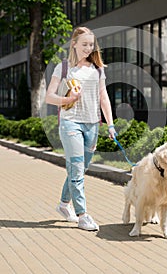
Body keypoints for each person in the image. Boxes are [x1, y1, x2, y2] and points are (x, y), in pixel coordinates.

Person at [46, 26, 116, 231]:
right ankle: (83, 215)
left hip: (93, 124)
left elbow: (104, 97)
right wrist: (69, 98)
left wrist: (110, 124)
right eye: (84, 44)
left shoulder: (97, 69)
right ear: (74, 44)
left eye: (91, 45)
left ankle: (63, 204)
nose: (88, 48)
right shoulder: (64, 68)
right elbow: (49, 96)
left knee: (80, 169)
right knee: (76, 169)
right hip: (70, 124)